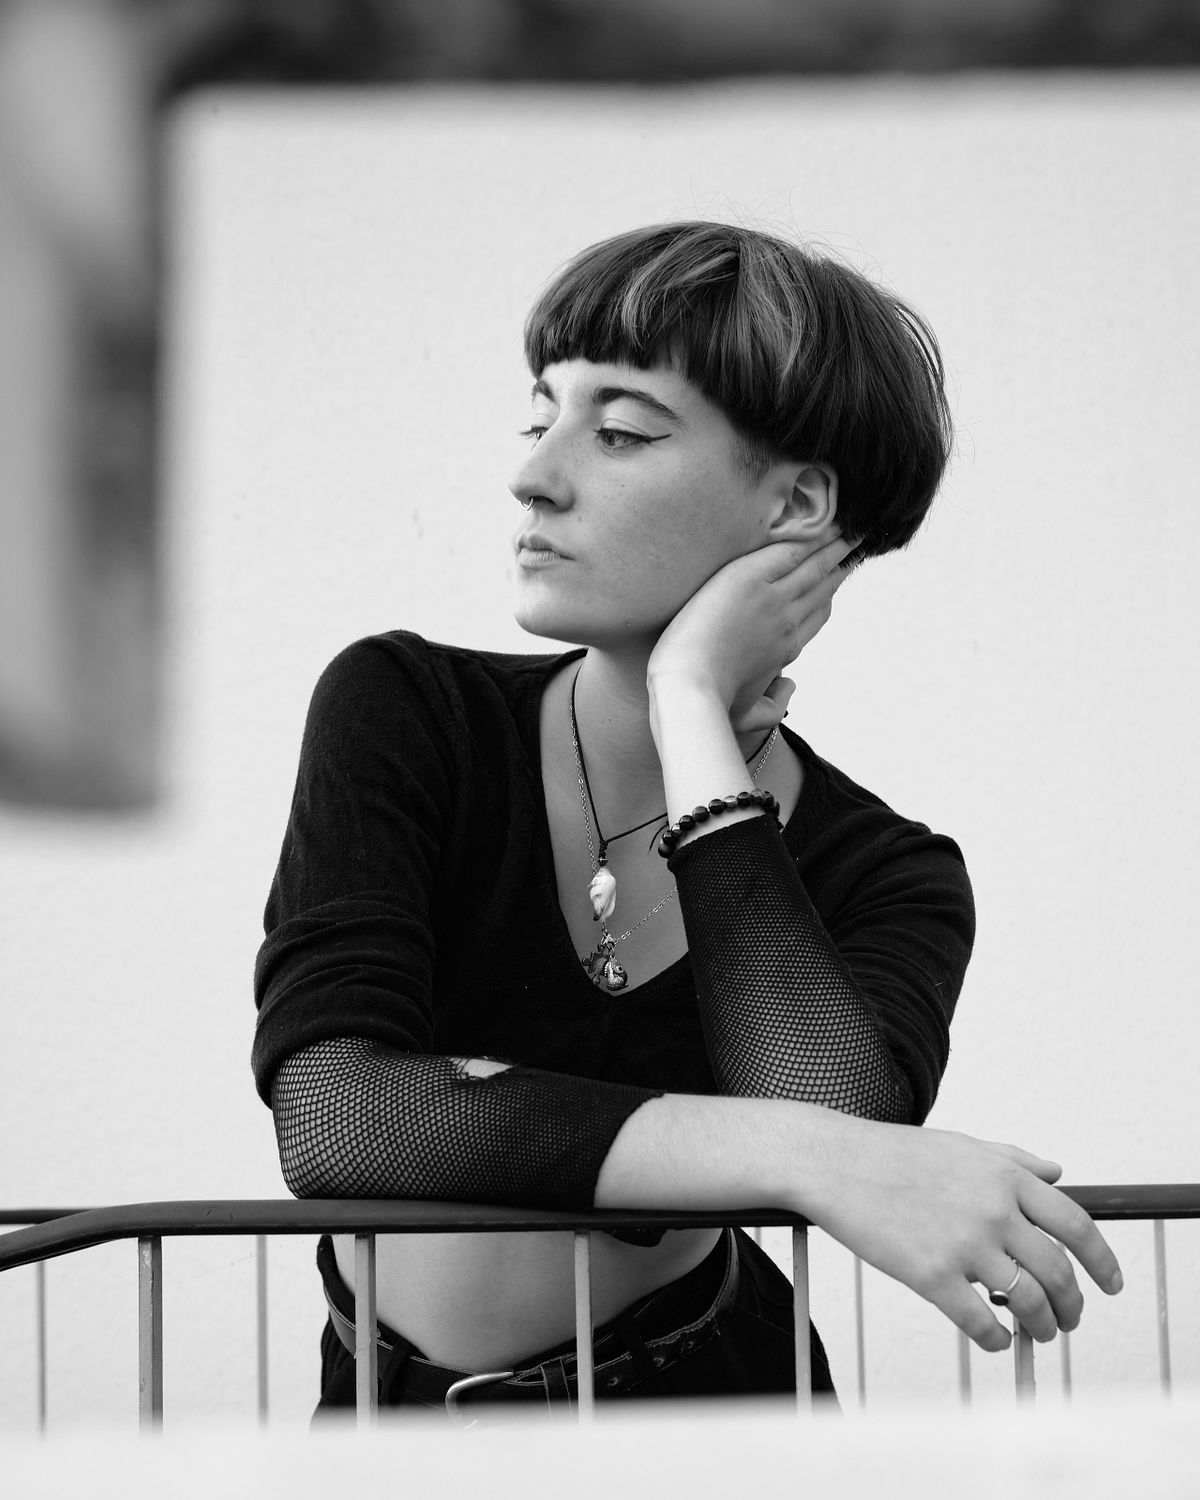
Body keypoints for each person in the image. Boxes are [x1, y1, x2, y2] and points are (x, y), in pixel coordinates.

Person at [252, 221, 1122, 1417]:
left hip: (720, 1404)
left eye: (619, 432)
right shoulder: (407, 709)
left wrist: (689, 702)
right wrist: (781, 1151)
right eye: (542, 417)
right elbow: (343, 1117)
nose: (536, 476)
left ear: (796, 505)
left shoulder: (891, 872)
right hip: (391, 1425)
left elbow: (836, 1115)